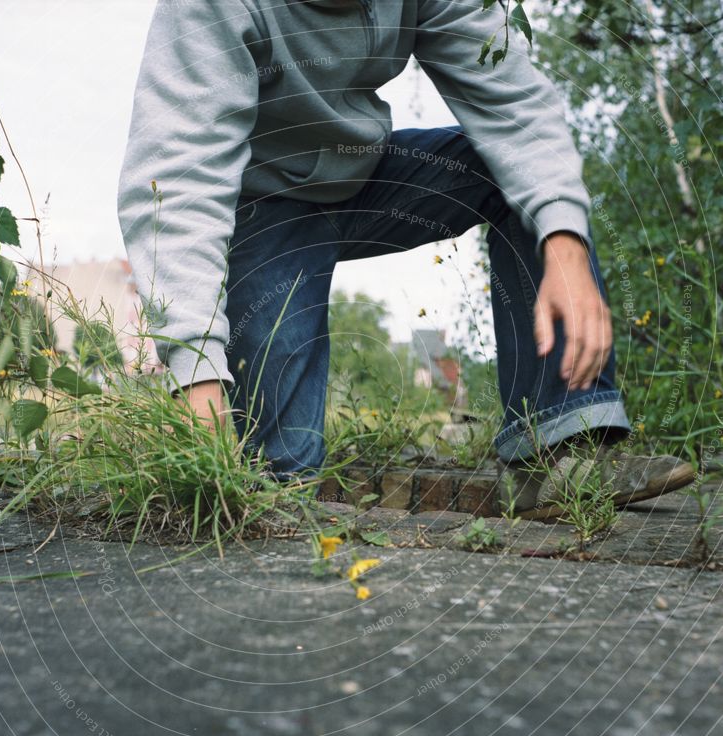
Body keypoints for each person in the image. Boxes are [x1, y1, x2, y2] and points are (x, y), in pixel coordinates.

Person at [118, 0, 693, 518]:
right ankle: (273, 471)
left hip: (363, 175)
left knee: (519, 178)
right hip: (262, 205)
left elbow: (516, 110)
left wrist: (564, 242)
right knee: (278, 476)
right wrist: (195, 366)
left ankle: (559, 453)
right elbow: (176, 180)